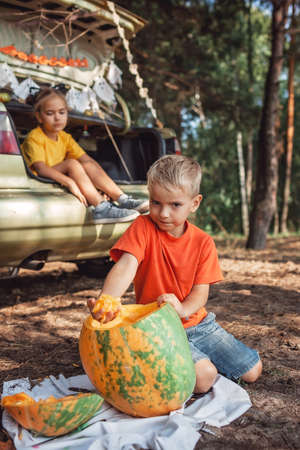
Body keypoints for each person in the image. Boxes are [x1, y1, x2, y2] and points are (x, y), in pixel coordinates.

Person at [88, 154, 262, 393]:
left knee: (253, 371)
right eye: (156, 202)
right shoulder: (142, 227)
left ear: (195, 203)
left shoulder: (203, 242)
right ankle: (153, 354)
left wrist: (182, 310)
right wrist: (108, 299)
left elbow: (200, 294)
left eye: (175, 205)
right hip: (156, 327)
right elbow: (126, 265)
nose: (163, 213)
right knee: (203, 379)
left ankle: (181, 357)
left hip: (198, 324)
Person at [21, 87, 149, 224]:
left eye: (61, 112)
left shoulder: (64, 137)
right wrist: (69, 182)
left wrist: (99, 186)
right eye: (50, 113)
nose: (57, 117)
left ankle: (122, 199)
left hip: (57, 175)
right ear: (39, 117)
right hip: (37, 178)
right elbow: (40, 169)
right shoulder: (34, 137)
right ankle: (101, 208)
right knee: (72, 163)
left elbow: (88, 161)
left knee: (88, 163)